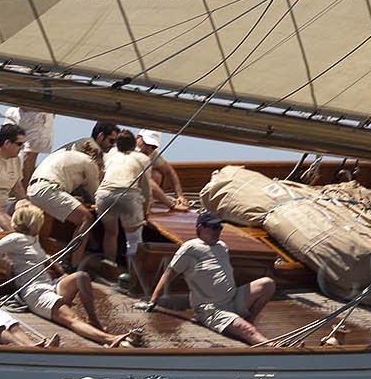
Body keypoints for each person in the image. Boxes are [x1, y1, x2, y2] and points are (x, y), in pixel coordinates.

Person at [0, 202, 131, 347]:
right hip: (35, 291)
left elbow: (43, 256)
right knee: (72, 318)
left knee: (82, 277)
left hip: (49, 285)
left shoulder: (33, 238)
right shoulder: (15, 238)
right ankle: (109, 339)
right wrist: (7, 266)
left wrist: (62, 272)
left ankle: (93, 320)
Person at [146, 211, 275, 345]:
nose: (217, 231)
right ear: (200, 228)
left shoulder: (222, 246)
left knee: (268, 284)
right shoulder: (190, 248)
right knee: (248, 330)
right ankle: (274, 349)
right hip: (211, 308)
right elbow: (169, 273)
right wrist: (153, 300)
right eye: (213, 227)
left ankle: (248, 319)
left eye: (219, 227)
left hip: (233, 299)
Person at [25, 140, 103, 266]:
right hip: (48, 189)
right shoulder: (90, 162)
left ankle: (43, 255)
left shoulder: (64, 154)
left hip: (34, 189)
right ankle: (73, 264)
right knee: (86, 219)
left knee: (51, 218)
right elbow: (96, 195)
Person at [95, 131, 151, 269]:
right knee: (133, 239)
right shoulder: (143, 159)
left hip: (104, 194)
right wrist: (145, 211)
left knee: (110, 233)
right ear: (134, 145)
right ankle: (133, 276)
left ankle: (110, 267)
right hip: (129, 196)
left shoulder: (109, 156)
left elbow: (100, 177)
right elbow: (146, 188)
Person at [136, 130, 189, 211]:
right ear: (138, 138)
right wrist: (172, 205)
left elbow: (169, 172)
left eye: (153, 147)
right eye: (146, 144)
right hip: (123, 193)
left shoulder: (152, 153)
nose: (149, 150)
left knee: (156, 174)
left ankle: (148, 203)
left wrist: (180, 196)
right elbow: (148, 182)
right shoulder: (133, 153)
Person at [3, 106, 55, 181]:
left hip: (39, 114)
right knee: (5, 152)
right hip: (17, 110)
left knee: (28, 160)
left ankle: (24, 190)